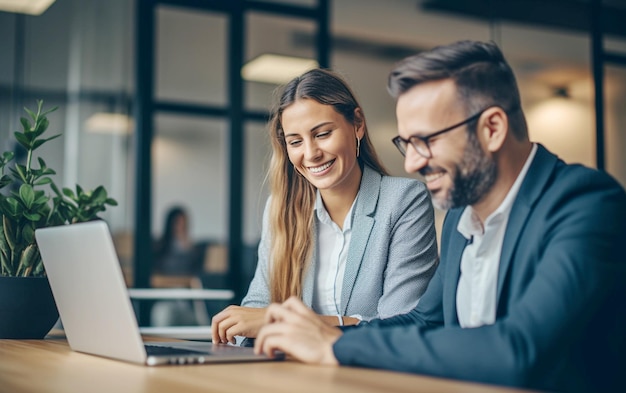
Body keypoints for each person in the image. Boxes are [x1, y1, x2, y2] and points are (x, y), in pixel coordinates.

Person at [253, 41, 626, 393]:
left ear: (492, 128)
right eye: (406, 144)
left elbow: (520, 350)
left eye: (425, 141)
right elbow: (421, 322)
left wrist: (334, 348)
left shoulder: (586, 203)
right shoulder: (461, 217)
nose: (412, 163)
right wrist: (322, 338)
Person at [211, 68, 439, 344]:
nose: (310, 154)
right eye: (295, 142)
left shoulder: (403, 200)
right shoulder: (280, 208)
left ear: (357, 124)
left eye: (322, 134)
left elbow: (402, 323)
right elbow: (257, 306)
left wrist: (281, 321)